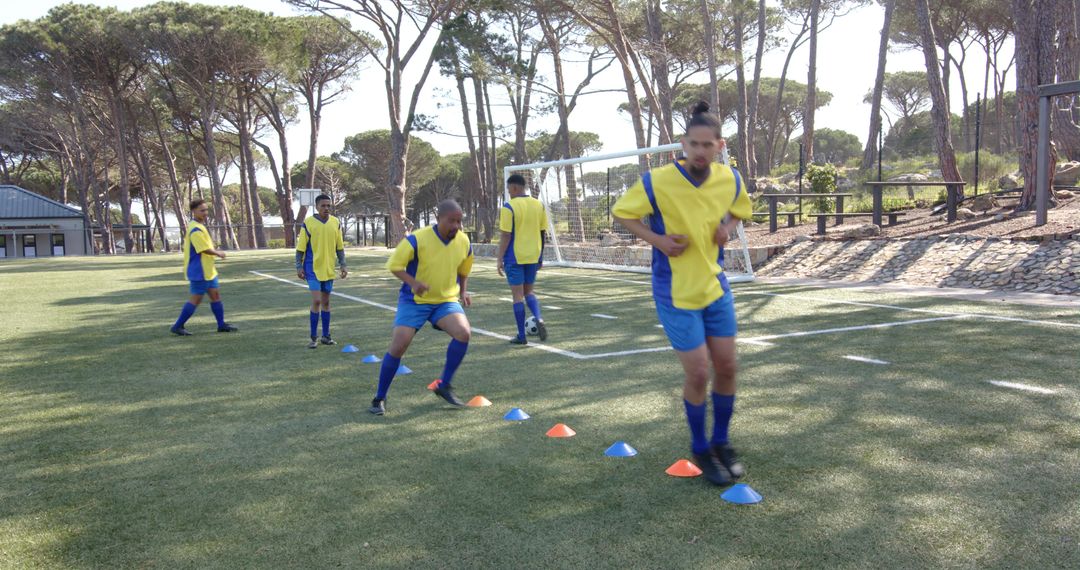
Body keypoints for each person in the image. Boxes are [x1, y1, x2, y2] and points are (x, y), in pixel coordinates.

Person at [612, 101, 752, 486]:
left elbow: (740, 208)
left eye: (708, 145)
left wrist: (727, 225)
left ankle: (722, 442)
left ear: (720, 146)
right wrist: (657, 239)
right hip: (673, 291)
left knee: (727, 367)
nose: (701, 151)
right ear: (683, 144)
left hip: (715, 286)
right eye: (694, 144)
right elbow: (622, 214)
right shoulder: (657, 180)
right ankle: (700, 447)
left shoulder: (730, 179)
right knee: (699, 372)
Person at [368, 200, 474, 415]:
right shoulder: (418, 239)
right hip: (414, 301)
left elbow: (464, 269)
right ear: (438, 218)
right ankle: (379, 398)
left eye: (459, 221)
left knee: (463, 333)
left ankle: (444, 384)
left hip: (445, 301)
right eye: (451, 221)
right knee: (399, 346)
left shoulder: (463, 242)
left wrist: (462, 291)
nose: (456, 225)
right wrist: (413, 283)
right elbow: (394, 266)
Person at [170, 199, 238, 336]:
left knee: (215, 295)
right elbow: (203, 249)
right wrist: (218, 253)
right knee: (196, 298)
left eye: (206, 210)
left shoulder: (199, 226)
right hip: (199, 271)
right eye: (202, 210)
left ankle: (221, 324)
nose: (205, 213)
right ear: (194, 211)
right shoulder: (195, 228)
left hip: (208, 270)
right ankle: (177, 326)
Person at [497, 173, 549, 344]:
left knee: (517, 296)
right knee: (529, 292)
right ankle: (539, 318)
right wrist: (540, 256)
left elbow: (506, 235)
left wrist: (499, 259)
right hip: (534, 255)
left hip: (515, 257)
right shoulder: (539, 205)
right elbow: (543, 233)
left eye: (509, 189)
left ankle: (521, 336)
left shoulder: (508, 207)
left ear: (514, 187)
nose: (509, 192)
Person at [296, 194, 348, 349]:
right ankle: (313, 337)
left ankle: (326, 336)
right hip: (312, 268)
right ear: (317, 207)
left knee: (326, 302)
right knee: (317, 301)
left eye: (328, 206)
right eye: (323, 205)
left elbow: (340, 247)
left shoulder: (336, 222)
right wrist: (299, 266)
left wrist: (343, 264)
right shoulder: (309, 223)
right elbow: (300, 249)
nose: (326, 208)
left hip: (328, 268)